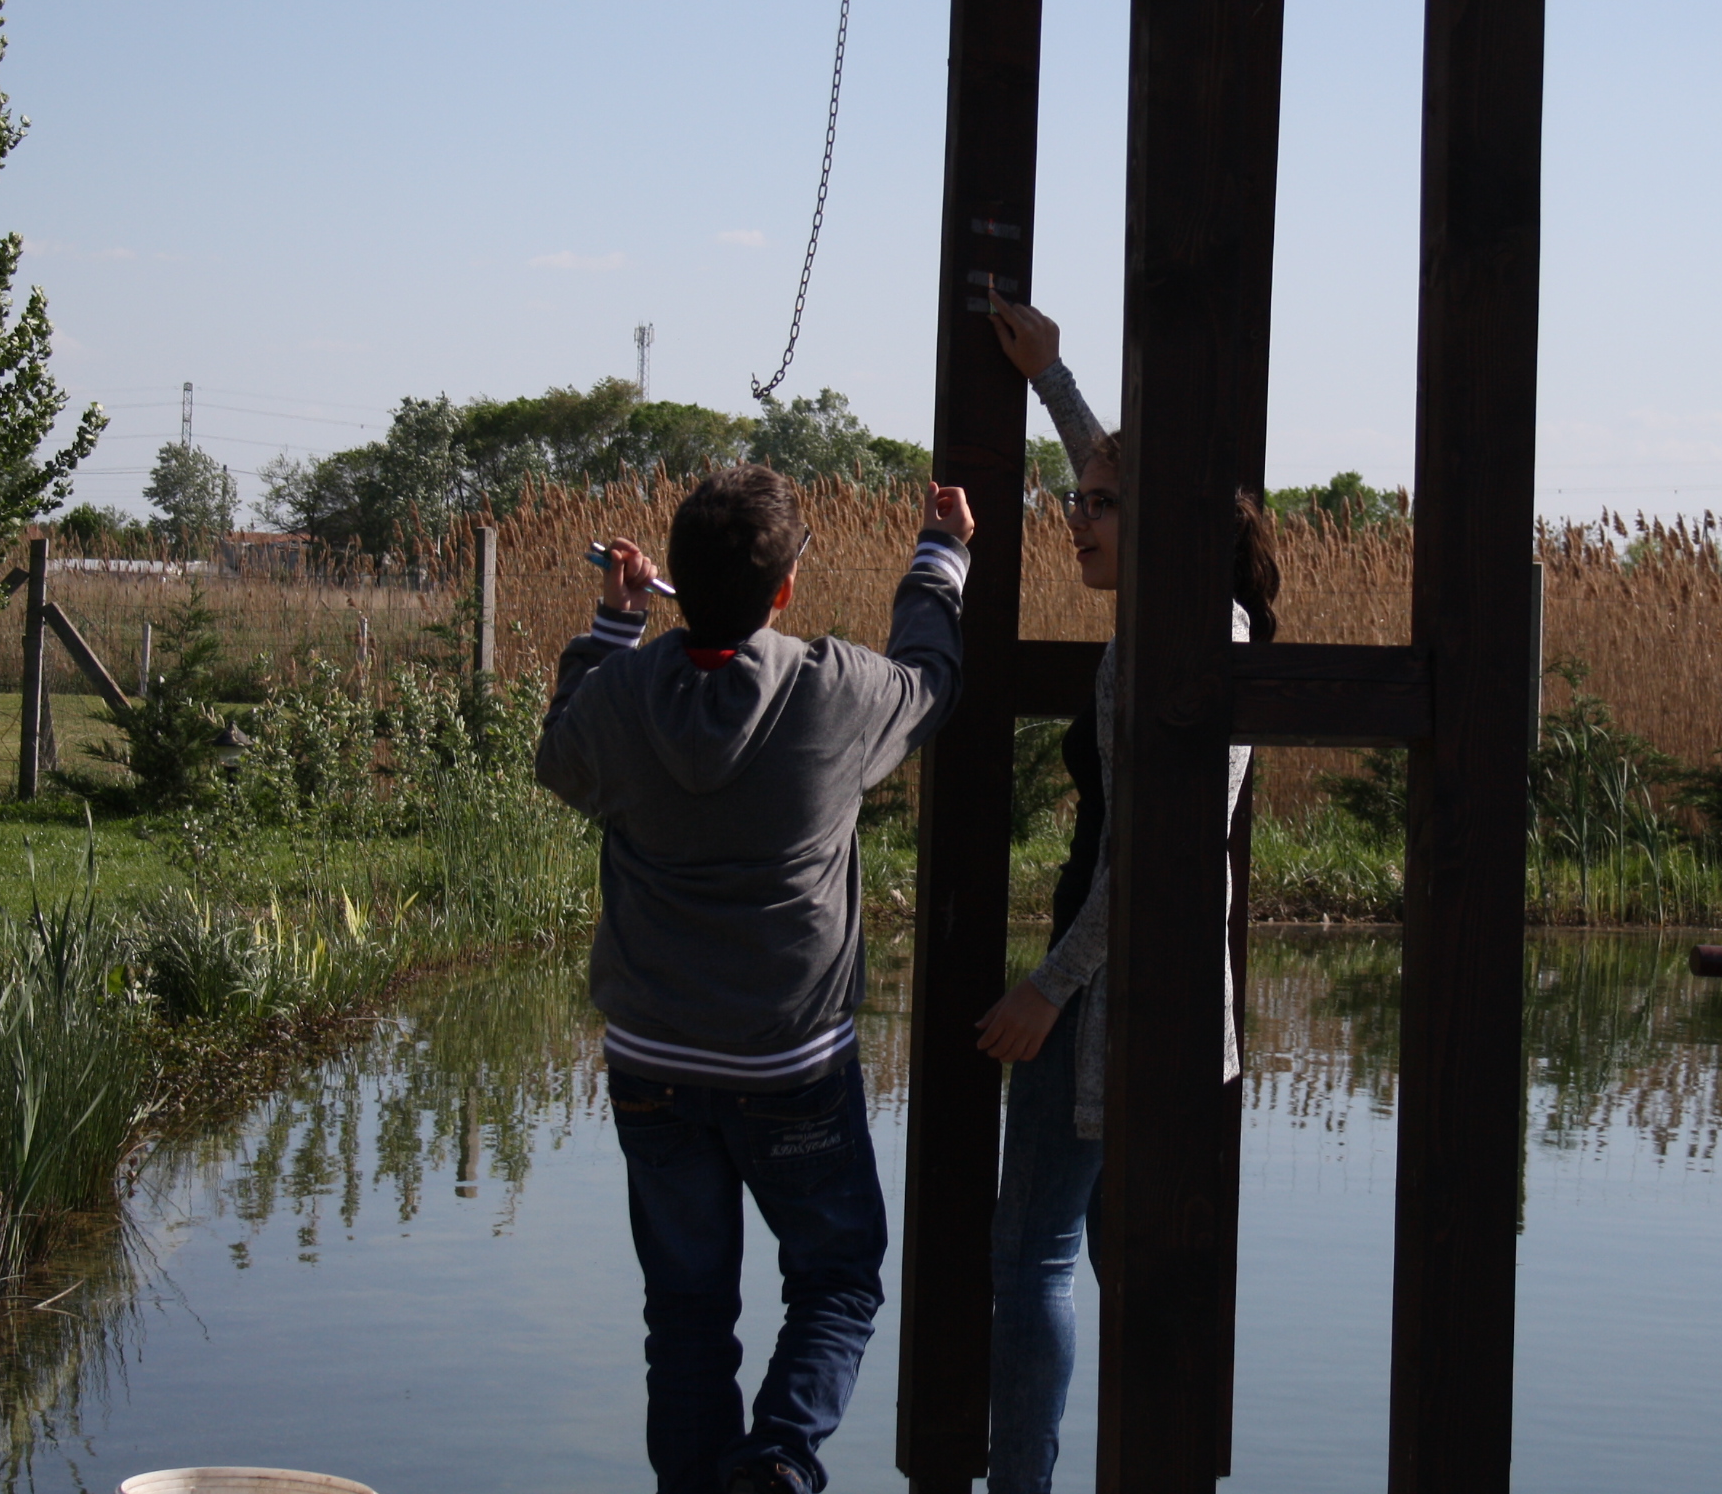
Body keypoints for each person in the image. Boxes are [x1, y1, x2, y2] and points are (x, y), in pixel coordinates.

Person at [536, 463, 977, 1494]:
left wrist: (612, 628)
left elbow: (561, 756)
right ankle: (777, 1459)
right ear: (784, 587)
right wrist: (940, 555)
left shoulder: (621, 693)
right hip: (792, 1065)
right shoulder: (834, 689)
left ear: (675, 580)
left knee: (686, 1313)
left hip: (651, 1063)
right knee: (836, 1279)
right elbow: (930, 679)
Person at [972, 292, 1279, 1494]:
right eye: (1075, 502)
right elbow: (1122, 475)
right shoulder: (1188, 620)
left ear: (1159, 523)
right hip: (1156, 1009)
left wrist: (1049, 989)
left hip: (1102, 1003)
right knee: (1121, 1259)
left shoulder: (1185, 646)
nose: (1075, 520)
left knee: (1031, 1255)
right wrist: (1051, 376)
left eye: (1097, 508)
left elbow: (1160, 850)